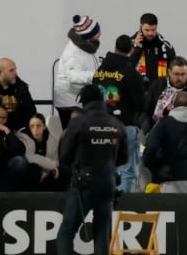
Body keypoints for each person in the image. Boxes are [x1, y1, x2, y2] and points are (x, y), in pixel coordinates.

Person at [56, 85, 127, 255]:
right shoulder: (117, 124)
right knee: (102, 232)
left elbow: (64, 156)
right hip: (108, 182)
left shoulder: (78, 123)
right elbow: (124, 159)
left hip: (84, 183)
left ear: (83, 102)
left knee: (66, 232)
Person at [92, 34, 147, 193]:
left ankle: (104, 205)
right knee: (127, 171)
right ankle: (122, 209)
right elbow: (140, 103)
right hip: (124, 126)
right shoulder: (131, 74)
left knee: (103, 169)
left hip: (100, 127)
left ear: (115, 48)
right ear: (131, 50)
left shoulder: (99, 72)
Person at [144, 91, 187, 186]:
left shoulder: (163, 124)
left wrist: (153, 167)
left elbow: (151, 146)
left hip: (168, 176)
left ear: (173, 105)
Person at [54, 15, 103, 128]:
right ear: (88, 35)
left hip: (76, 99)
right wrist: (96, 75)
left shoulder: (87, 46)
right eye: (97, 32)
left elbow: (90, 64)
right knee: (72, 135)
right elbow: (73, 76)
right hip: (68, 102)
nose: (100, 34)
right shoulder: (73, 53)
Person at [144, 56, 187, 130]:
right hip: (157, 130)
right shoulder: (157, 85)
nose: (179, 78)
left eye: (183, 74)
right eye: (176, 74)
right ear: (169, 72)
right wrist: (147, 130)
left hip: (185, 133)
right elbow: (145, 110)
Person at [0, 58, 39, 133]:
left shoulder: (21, 88)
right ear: (0, 73)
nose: (15, 73)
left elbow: (31, 112)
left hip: (18, 131)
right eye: (11, 70)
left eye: (15, 70)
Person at [17, 113, 65, 191]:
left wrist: (47, 172)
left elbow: (55, 159)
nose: (35, 129)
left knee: (62, 172)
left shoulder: (52, 140)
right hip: (28, 173)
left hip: (46, 173)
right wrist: (52, 165)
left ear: (44, 126)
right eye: (32, 126)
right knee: (33, 170)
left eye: (38, 126)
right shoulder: (24, 137)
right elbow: (29, 157)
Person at [129, 12, 177, 83]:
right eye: (147, 30)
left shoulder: (166, 46)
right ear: (141, 27)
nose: (150, 33)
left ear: (157, 27)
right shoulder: (129, 45)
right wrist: (137, 48)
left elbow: (174, 69)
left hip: (159, 89)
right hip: (136, 88)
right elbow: (125, 68)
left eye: (153, 30)